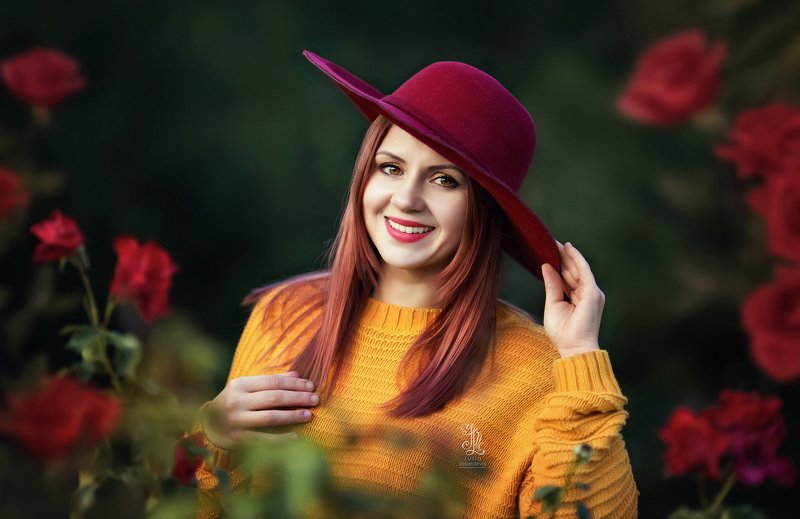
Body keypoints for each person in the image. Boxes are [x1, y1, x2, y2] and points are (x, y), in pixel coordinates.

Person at [194, 51, 638, 518]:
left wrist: (582, 357)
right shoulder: (284, 314)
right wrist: (213, 438)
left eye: (444, 180)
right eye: (391, 167)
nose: (406, 199)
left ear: (484, 211)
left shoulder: (539, 369)